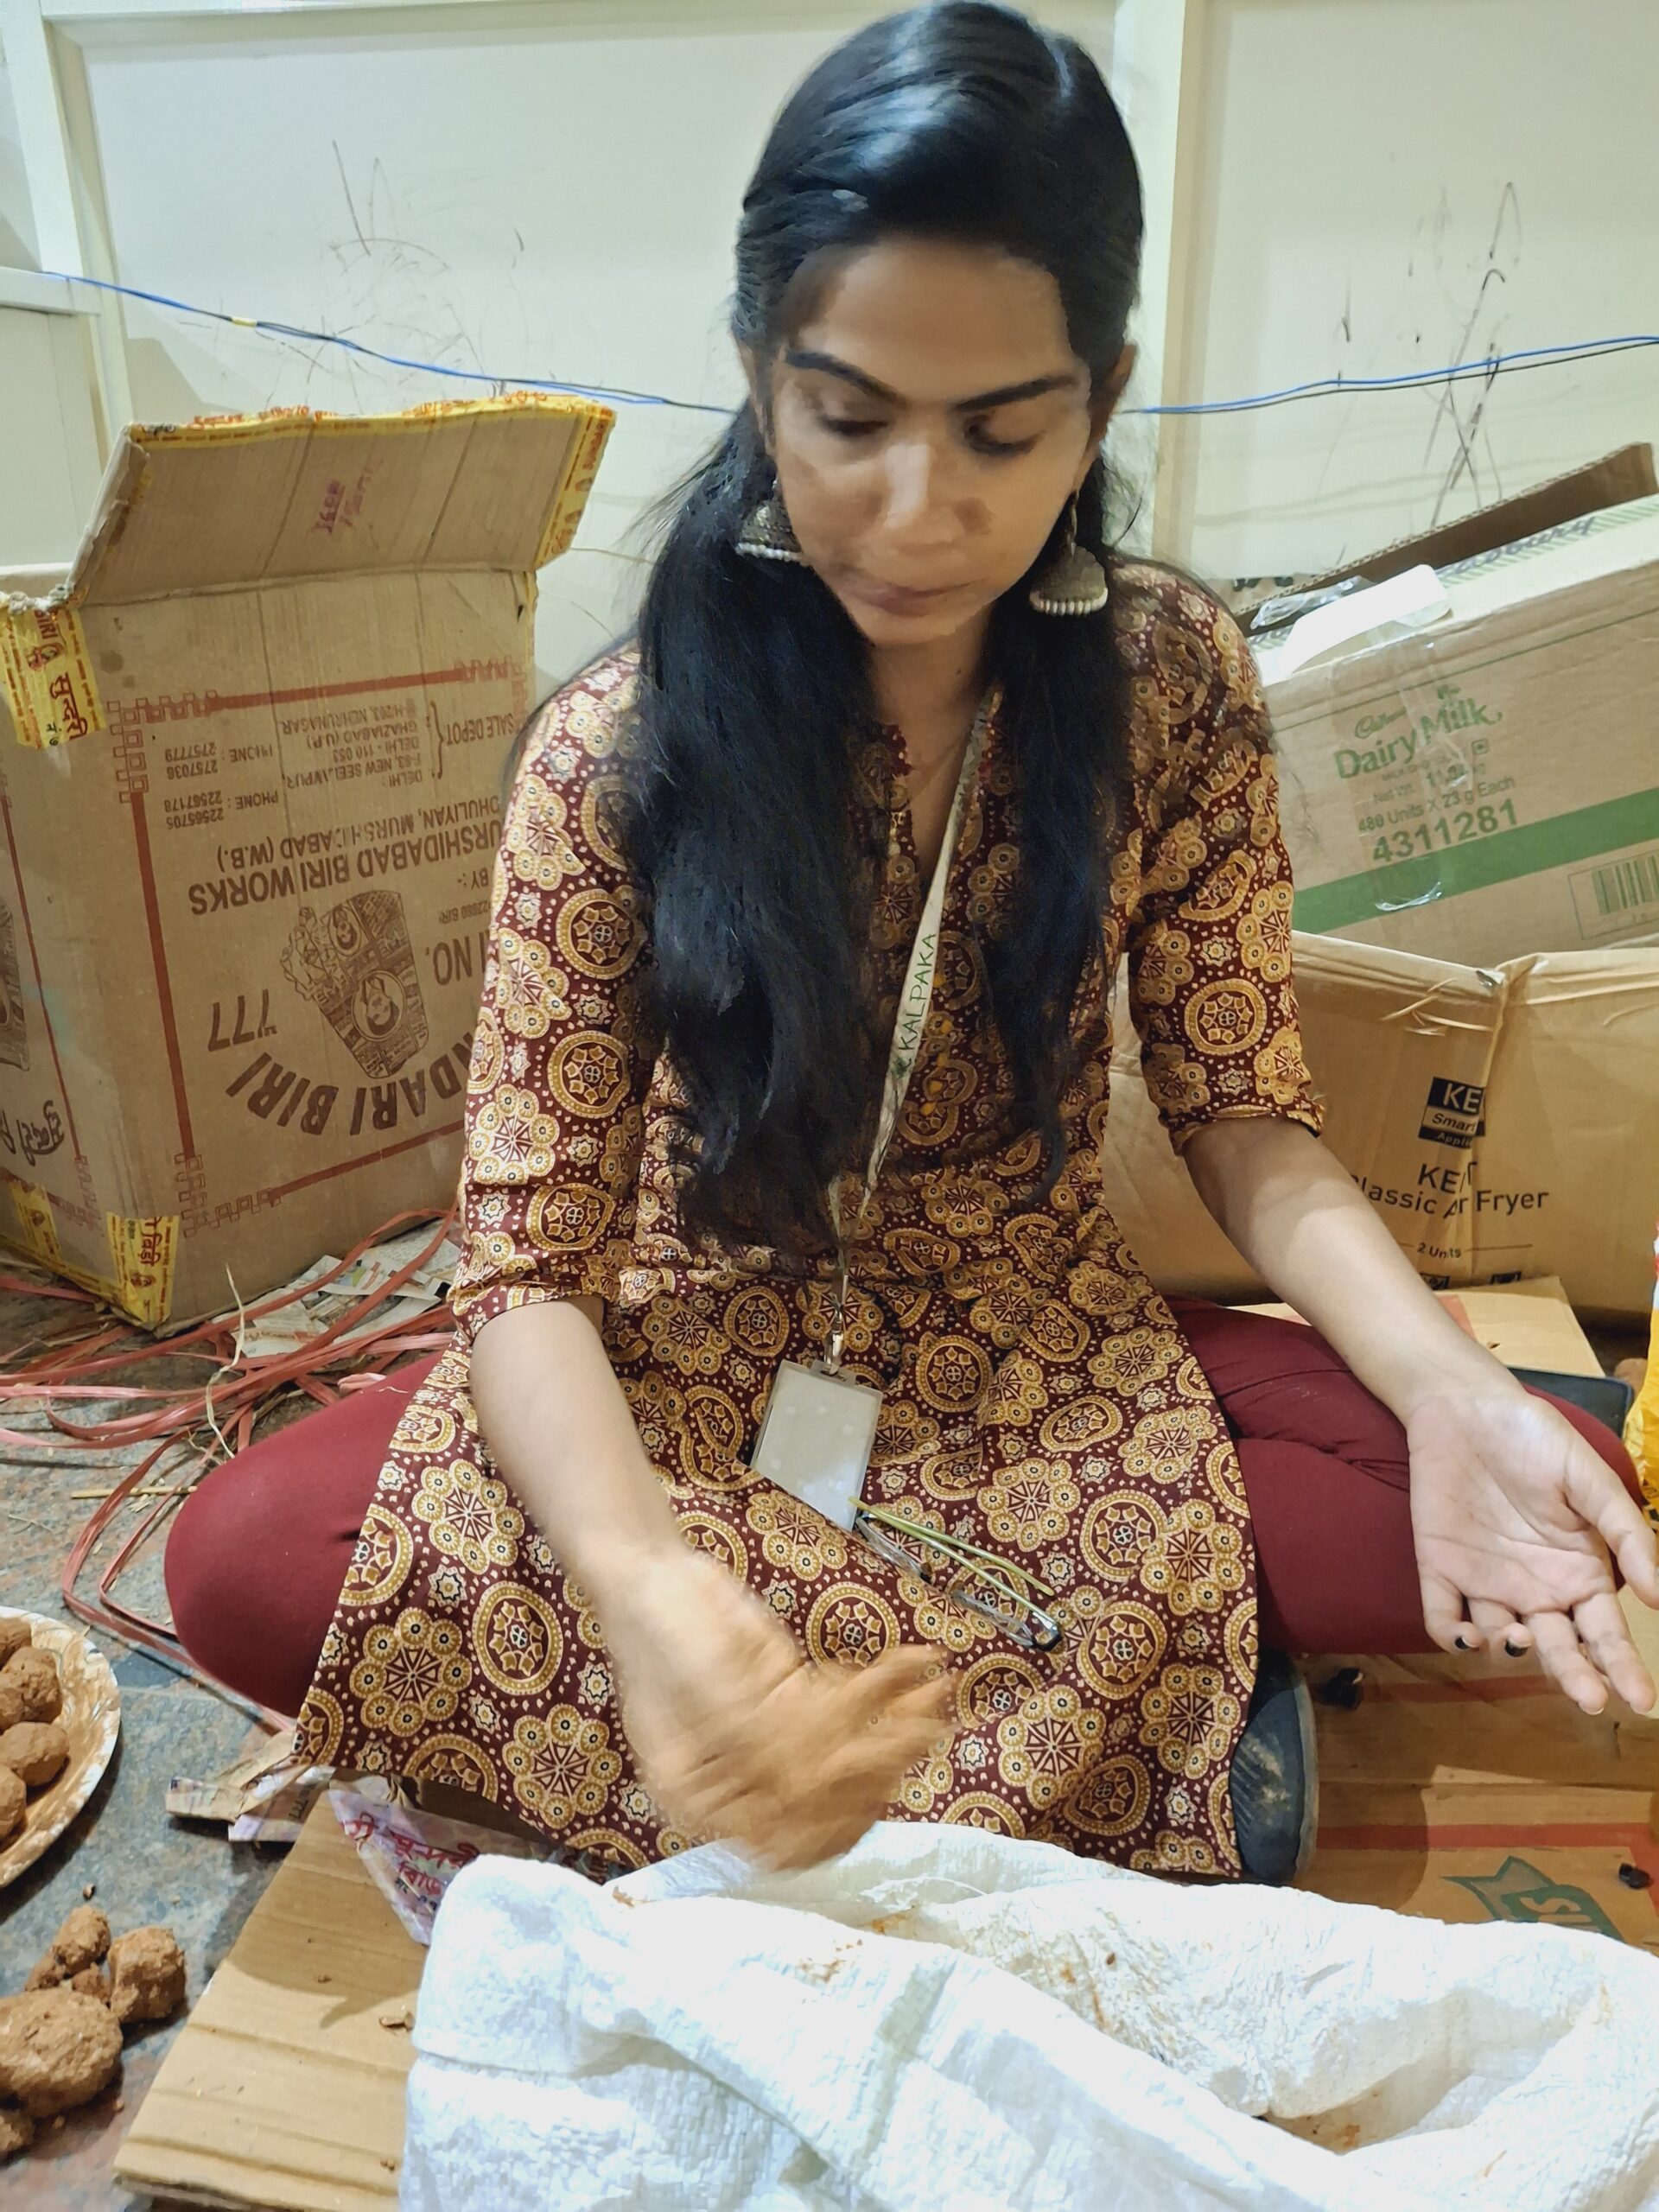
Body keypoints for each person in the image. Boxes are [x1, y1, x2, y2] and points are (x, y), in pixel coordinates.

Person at [165, 1, 1655, 1885]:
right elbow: (527, 1268)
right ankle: (1103, 1712)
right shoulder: (620, 750)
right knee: (246, 1558)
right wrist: (643, 1585)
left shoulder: (1169, 684)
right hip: (698, 1353)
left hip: (1037, 1360)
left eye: (1002, 432)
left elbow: (1246, 1117)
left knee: (1525, 1484)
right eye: (849, 420)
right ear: (758, 371)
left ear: (1101, 399)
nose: (918, 511)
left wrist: (1449, 1391)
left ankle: (947, 1708)